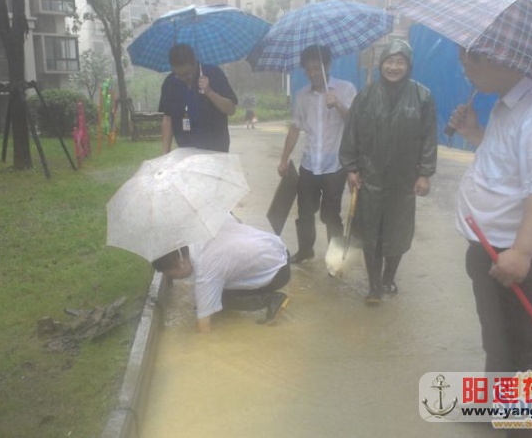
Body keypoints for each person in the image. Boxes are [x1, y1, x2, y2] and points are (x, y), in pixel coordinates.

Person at [448, 45, 532, 421]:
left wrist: (522, 252)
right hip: (492, 250)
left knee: (522, 359)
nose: (464, 67)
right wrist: (474, 132)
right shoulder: (509, 103)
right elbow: (503, 164)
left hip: (522, 259)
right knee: (499, 345)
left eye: (469, 57)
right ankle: (497, 413)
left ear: (502, 56)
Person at [339, 39, 437, 304]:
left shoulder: (422, 97)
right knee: (371, 232)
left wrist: (425, 173)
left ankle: (388, 277)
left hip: (403, 179)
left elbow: (428, 137)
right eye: (389, 61)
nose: (394, 67)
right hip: (370, 177)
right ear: (381, 64)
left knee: (398, 231)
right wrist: (351, 168)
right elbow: (352, 136)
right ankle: (373, 286)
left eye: (400, 62)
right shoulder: (366, 97)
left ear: (409, 65)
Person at [277, 44, 357, 264]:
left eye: (316, 68)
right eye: (308, 69)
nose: (312, 74)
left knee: (331, 216)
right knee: (304, 213)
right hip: (309, 164)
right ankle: (305, 250)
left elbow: (356, 123)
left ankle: (336, 256)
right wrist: (284, 159)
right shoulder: (302, 96)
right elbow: (295, 128)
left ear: (327, 65)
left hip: (335, 167)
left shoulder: (346, 89)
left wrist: (338, 104)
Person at [151, 215, 291, 333]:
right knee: (207, 295)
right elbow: (236, 220)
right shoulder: (201, 226)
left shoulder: (206, 269)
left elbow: (204, 329)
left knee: (216, 301)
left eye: (173, 275)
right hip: (275, 247)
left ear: (181, 262)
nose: (174, 279)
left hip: (278, 272)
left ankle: (272, 299)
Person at [158, 44, 238, 153]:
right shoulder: (170, 82)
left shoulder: (215, 74)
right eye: (178, 74)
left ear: (194, 63)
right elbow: (168, 119)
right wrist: (165, 154)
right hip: (185, 150)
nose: (183, 78)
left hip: (216, 150)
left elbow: (231, 109)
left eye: (186, 74)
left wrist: (209, 92)